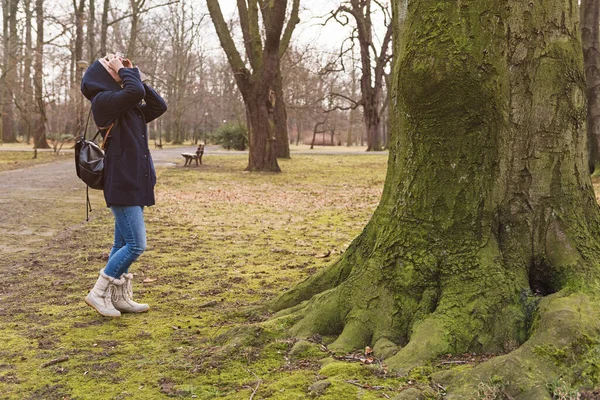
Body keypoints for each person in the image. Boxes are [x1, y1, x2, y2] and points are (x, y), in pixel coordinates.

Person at [80, 53, 167, 317]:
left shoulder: (125, 103)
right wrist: (126, 74)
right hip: (122, 180)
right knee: (136, 245)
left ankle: (119, 297)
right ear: (102, 74)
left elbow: (158, 106)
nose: (117, 64)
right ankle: (98, 292)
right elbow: (134, 91)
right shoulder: (103, 101)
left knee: (121, 244)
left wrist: (132, 72)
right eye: (110, 64)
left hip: (135, 178)